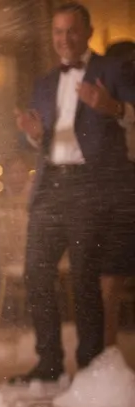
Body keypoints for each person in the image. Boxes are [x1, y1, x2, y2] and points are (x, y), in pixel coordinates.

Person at [11, 2, 135, 382]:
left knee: (84, 277)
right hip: (50, 185)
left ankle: (90, 367)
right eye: (58, 32)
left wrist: (114, 107)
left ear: (89, 33)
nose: (64, 39)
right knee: (36, 272)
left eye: (72, 31)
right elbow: (38, 137)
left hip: (90, 186)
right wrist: (34, 135)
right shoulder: (44, 82)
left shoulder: (113, 69)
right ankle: (48, 362)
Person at [101, 39, 135, 349]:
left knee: (111, 279)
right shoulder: (102, 104)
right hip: (118, 194)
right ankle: (107, 351)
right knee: (111, 278)